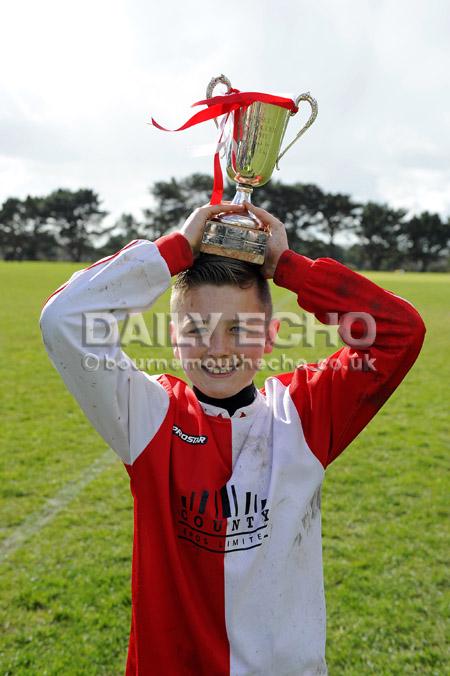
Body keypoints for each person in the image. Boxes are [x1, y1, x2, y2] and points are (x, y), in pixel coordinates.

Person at [40, 201, 425, 676]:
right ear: (174, 339)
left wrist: (290, 269)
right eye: (196, 330)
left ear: (270, 337)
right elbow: (62, 320)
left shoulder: (301, 414)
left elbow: (400, 332)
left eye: (240, 329)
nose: (218, 348)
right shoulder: (148, 417)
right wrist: (173, 251)